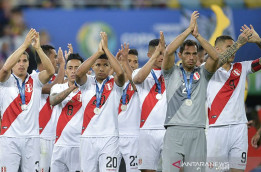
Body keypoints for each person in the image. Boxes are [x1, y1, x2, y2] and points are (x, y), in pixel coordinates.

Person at [161, 11, 252, 172]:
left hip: (198, 132)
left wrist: (199, 36)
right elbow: (168, 52)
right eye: (187, 53)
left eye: (194, 54)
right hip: (174, 131)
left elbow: (216, 58)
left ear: (198, 56)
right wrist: (188, 30)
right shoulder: (170, 72)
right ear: (180, 55)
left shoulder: (203, 73)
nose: (191, 57)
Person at [206, 24, 261, 172]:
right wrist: (239, 43)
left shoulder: (242, 67)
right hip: (217, 129)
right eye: (229, 47)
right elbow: (216, 62)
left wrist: (258, 41)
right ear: (217, 49)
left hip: (239, 129)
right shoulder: (208, 69)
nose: (234, 50)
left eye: (234, 47)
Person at [0, 29, 55, 171]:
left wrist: (37, 48)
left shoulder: (35, 80)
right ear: (13, 63)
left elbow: (50, 71)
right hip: (9, 138)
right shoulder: (5, 81)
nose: (21, 64)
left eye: (24, 61)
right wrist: (24, 45)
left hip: (32, 139)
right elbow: (5, 68)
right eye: (18, 61)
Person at [76, 32, 124, 172]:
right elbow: (79, 73)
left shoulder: (115, 85)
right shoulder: (86, 83)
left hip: (110, 139)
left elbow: (120, 73)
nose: (101, 68)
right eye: (97, 65)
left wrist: (106, 50)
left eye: (105, 65)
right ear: (92, 67)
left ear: (110, 68)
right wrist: (98, 52)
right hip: (87, 138)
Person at [132, 34, 167, 171]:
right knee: (147, 170)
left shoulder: (173, 72)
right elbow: (138, 80)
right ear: (149, 55)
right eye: (158, 53)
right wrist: (155, 56)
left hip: (169, 129)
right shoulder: (138, 71)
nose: (161, 57)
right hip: (146, 130)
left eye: (163, 53)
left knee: (173, 168)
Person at [49, 53, 84, 171]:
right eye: (70, 68)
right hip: (59, 145)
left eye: (77, 68)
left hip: (80, 146)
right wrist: (72, 87)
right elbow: (53, 101)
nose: (74, 71)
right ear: (65, 71)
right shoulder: (57, 87)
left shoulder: (89, 90)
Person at [35, 45, 65, 172]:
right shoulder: (33, 78)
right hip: (41, 137)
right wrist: (63, 65)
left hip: (59, 138)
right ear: (45, 59)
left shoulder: (61, 78)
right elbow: (54, 88)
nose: (57, 60)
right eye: (54, 57)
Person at [116, 44, 140, 172]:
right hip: (113, 137)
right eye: (128, 61)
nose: (132, 64)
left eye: (135, 62)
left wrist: (123, 63)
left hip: (134, 136)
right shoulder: (112, 83)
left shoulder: (141, 83)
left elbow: (136, 83)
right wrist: (118, 64)